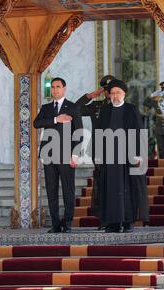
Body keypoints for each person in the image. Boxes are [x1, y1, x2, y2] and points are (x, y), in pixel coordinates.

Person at [97, 79, 149, 233]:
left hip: (128, 156)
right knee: (110, 189)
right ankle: (113, 223)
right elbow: (98, 133)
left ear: (124, 94)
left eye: (118, 93)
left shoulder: (131, 109)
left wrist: (139, 155)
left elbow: (139, 132)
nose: (115, 96)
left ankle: (127, 222)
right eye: (112, 93)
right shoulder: (105, 110)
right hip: (109, 157)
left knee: (128, 189)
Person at [33, 77, 83, 233]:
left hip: (67, 156)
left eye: (58, 87)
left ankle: (67, 224)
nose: (55, 90)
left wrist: (75, 155)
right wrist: (56, 119)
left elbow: (79, 133)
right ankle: (55, 224)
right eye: (53, 87)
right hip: (49, 155)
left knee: (68, 190)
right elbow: (36, 123)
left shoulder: (73, 108)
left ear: (64, 88)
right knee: (51, 190)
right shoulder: (46, 108)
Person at [75, 75, 115, 229]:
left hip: (119, 149)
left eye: (112, 90)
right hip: (99, 150)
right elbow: (75, 109)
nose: (109, 93)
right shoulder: (96, 106)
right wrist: (89, 97)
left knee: (117, 185)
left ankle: (120, 218)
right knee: (102, 185)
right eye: (106, 91)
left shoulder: (123, 106)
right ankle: (104, 219)